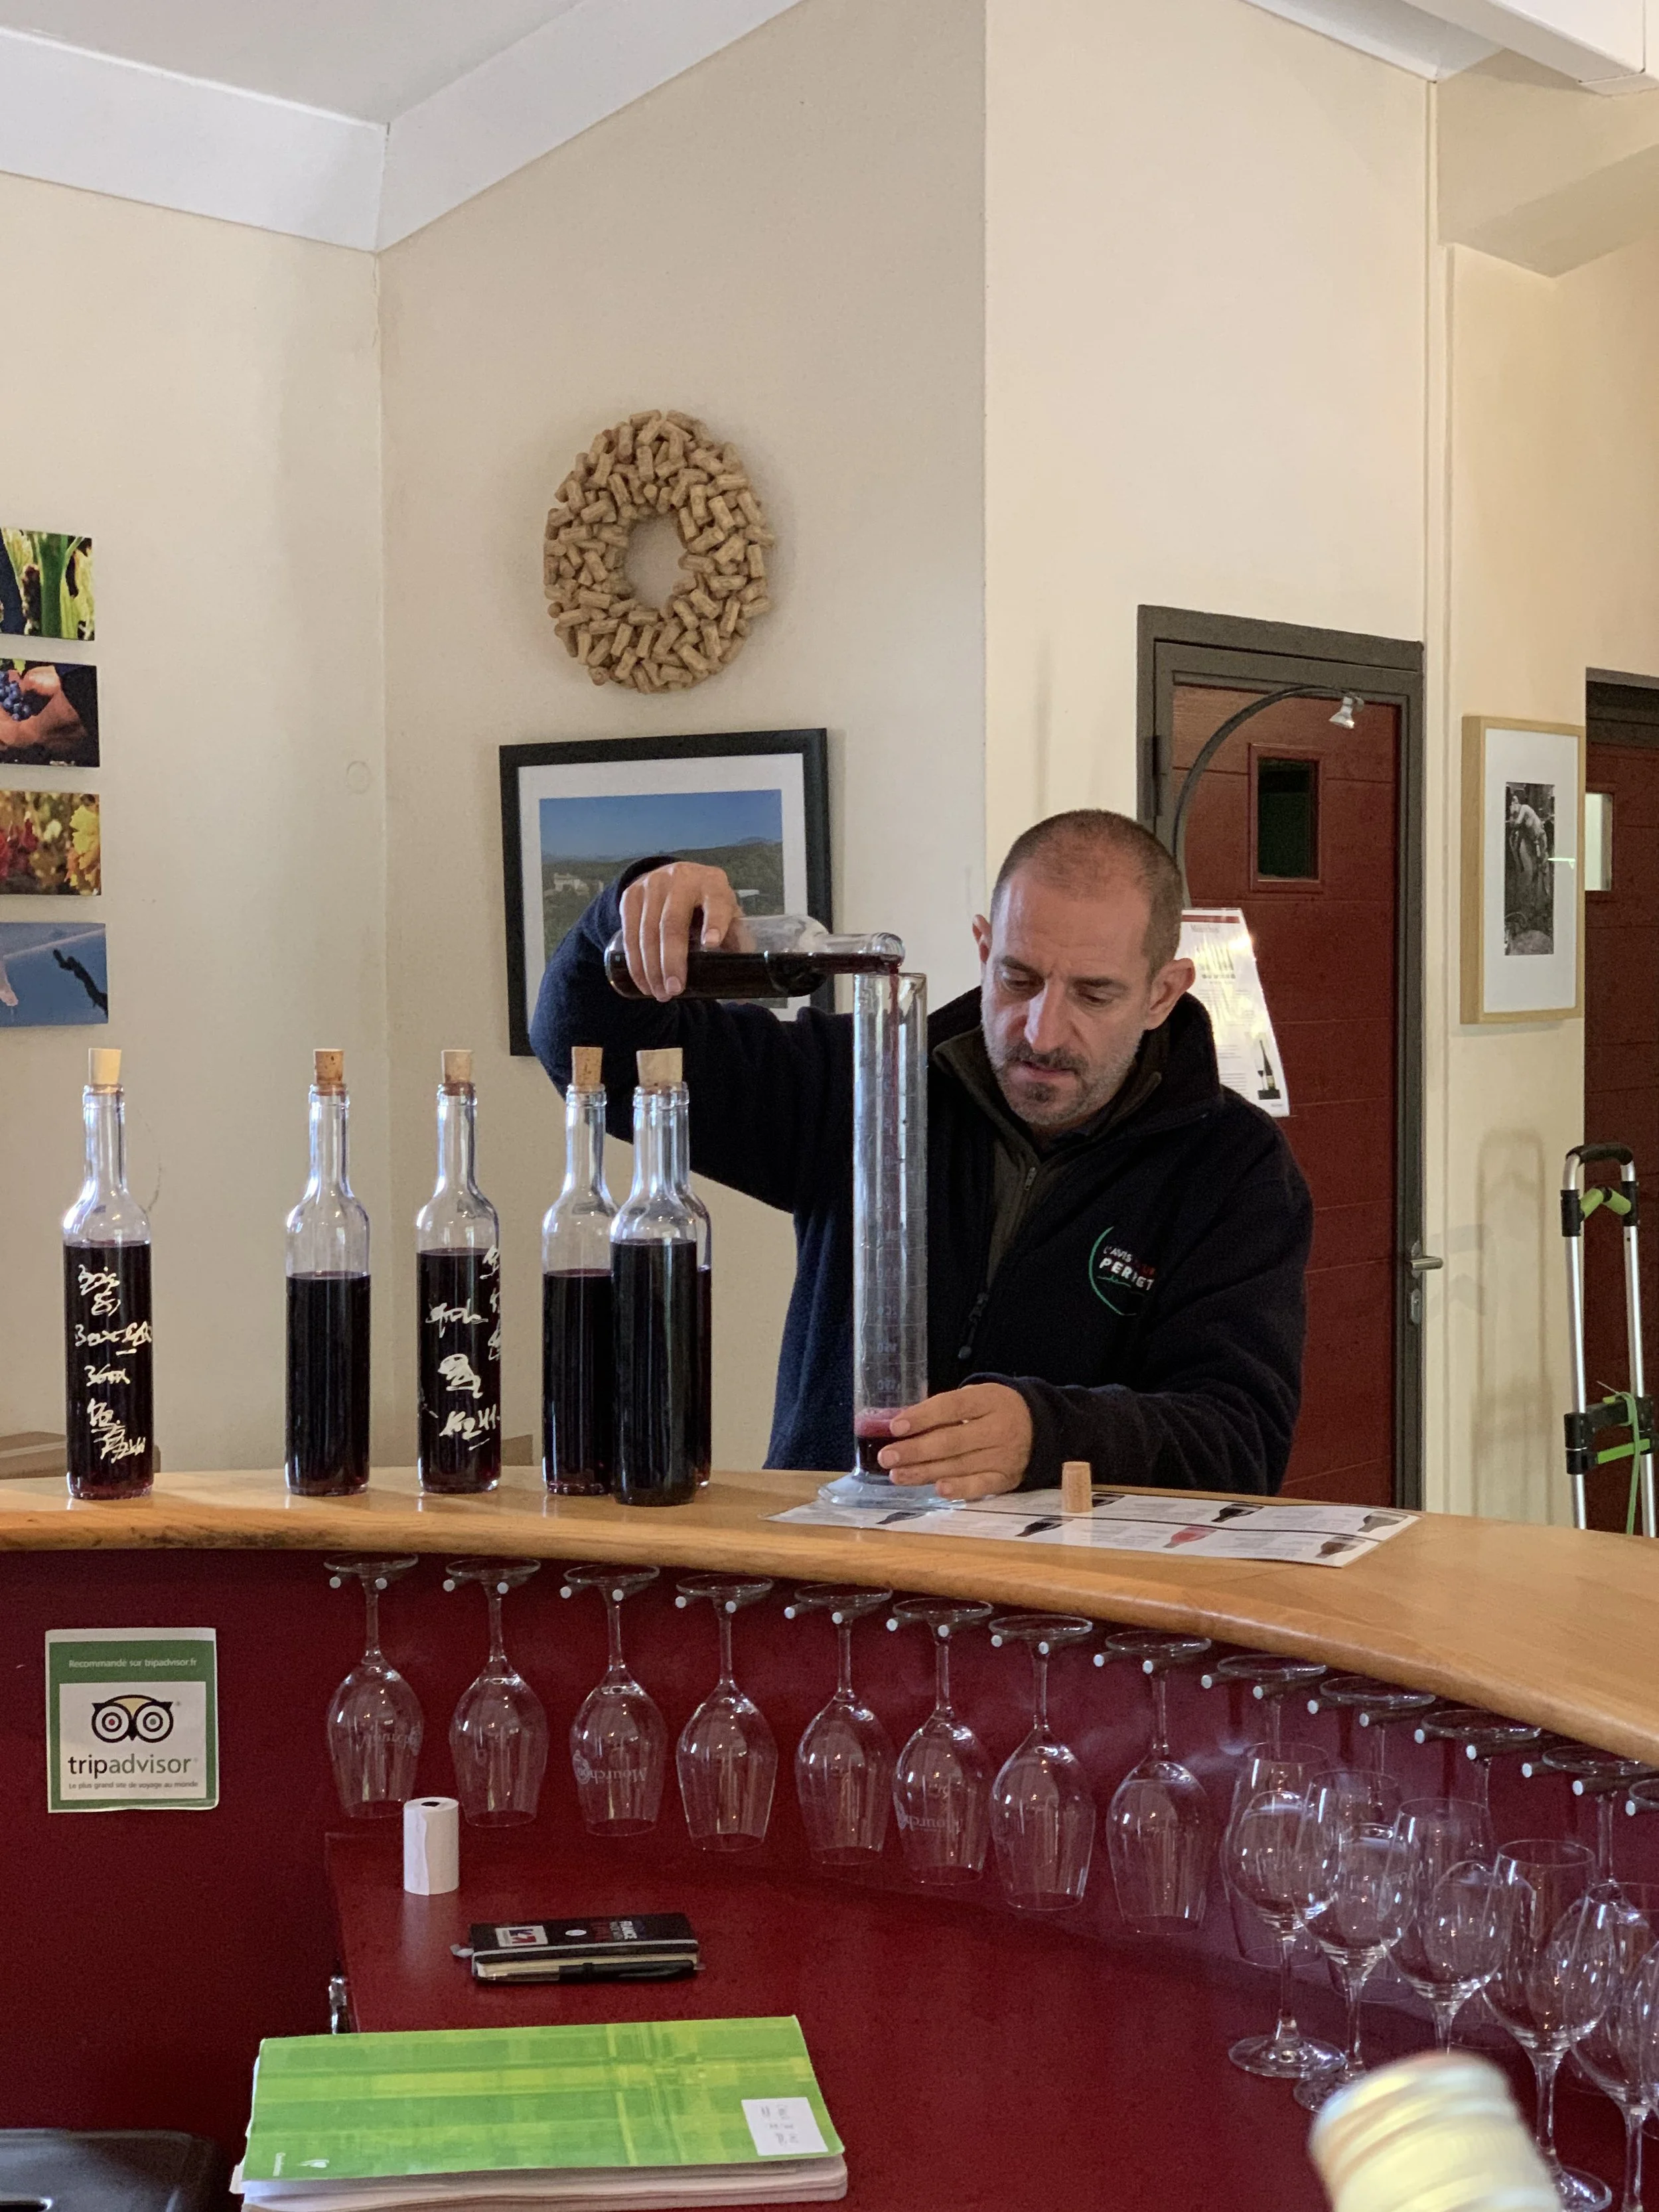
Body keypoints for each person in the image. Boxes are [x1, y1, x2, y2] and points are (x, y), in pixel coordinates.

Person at [531, 809, 1311, 1502]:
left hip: (1065, 1622)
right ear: (983, 946)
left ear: (1163, 992)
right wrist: (627, 911)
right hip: (835, 1576)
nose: (1041, 1031)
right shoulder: (862, 1081)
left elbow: (1239, 1442)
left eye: (1093, 994)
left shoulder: (1233, 1168)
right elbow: (585, 1052)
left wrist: (1044, 1434)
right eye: (1018, 977)